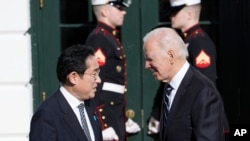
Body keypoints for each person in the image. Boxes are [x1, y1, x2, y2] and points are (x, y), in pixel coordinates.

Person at [147, 0, 229, 137]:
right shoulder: (186, 42)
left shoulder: (199, 43)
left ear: (190, 14)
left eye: (175, 12)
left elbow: (204, 88)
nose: (170, 16)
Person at [85, 0, 140, 141]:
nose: (124, 12)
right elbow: (93, 83)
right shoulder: (99, 39)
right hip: (107, 115)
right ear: (105, 11)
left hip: (115, 112)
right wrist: (102, 124)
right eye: (119, 8)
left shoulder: (109, 37)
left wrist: (123, 118)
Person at [29, 44, 102, 141]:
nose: (98, 80)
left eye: (98, 73)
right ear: (74, 77)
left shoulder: (90, 105)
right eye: (94, 74)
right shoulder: (47, 115)